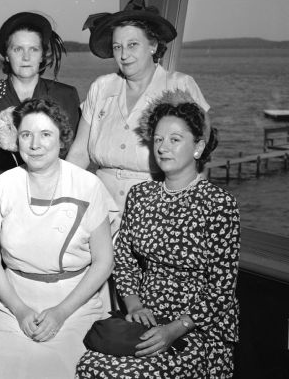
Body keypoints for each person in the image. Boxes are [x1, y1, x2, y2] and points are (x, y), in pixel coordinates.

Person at [76, 90, 240, 378]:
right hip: (147, 315)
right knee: (90, 365)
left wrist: (175, 329)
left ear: (198, 148)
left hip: (198, 327)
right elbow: (124, 258)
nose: (163, 148)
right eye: (158, 140)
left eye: (175, 140)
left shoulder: (218, 204)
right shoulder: (141, 195)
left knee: (125, 373)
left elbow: (221, 290)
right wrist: (133, 303)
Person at [0, 98, 115, 379]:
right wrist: (19, 310)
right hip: (12, 301)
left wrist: (61, 313)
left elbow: (104, 261)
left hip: (75, 305)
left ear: (62, 140)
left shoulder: (88, 186)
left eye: (45, 134)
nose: (35, 144)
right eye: (26, 135)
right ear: (17, 140)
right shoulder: (2, 186)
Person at [66, 0, 209, 232]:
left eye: (133, 45)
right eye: (117, 47)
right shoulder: (101, 87)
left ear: (153, 46)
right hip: (99, 211)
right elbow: (79, 153)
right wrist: (61, 196)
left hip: (160, 212)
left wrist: (188, 216)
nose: (124, 55)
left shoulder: (181, 86)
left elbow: (200, 157)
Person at [0, 12, 80, 191]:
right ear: (6, 55)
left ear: (43, 55)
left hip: (54, 193)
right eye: (18, 49)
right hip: (0, 196)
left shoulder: (66, 96)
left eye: (33, 49)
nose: (26, 57)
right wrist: (7, 196)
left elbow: (72, 152)